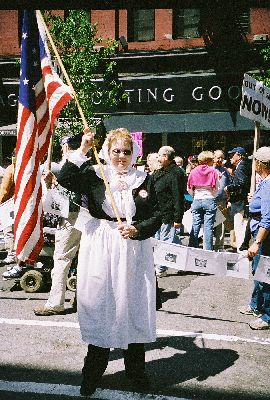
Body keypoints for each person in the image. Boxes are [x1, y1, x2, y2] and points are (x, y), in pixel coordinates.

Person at [57, 127, 162, 396]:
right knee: (102, 306)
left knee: (132, 306)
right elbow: (66, 177)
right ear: (107, 151)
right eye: (116, 151)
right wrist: (83, 149)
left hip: (133, 250)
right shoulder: (95, 174)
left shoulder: (143, 179)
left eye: (126, 152)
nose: (121, 157)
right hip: (101, 245)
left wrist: (138, 229)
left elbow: (157, 215)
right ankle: (91, 375)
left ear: (134, 153)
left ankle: (136, 373)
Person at [33, 135, 83, 316]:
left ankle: (55, 303)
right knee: (84, 260)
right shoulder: (87, 163)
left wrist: (53, 182)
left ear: (66, 146)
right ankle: (82, 299)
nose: (61, 148)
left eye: (63, 145)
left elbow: (73, 198)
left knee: (62, 258)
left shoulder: (72, 165)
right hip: (85, 217)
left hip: (72, 217)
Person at [238, 147, 270, 330]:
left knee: (264, 274)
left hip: (265, 239)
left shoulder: (268, 184)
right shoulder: (265, 183)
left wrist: (257, 242)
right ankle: (256, 305)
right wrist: (254, 198)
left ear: (260, 164)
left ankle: (267, 316)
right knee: (260, 272)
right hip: (261, 236)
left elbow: (268, 218)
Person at [152, 146, 185, 278]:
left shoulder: (175, 173)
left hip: (169, 213)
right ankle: (183, 261)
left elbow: (178, 196)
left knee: (165, 241)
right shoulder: (162, 171)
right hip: (160, 212)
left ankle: (161, 267)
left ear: (166, 157)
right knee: (170, 240)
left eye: (159, 156)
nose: (158, 159)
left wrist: (178, 218)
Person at [187, 150, 219, 251]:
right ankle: (208, 250)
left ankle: (192, 248)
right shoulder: (213, 171)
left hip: (197, 199)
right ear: (209, 160)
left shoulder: (193, 171)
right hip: (209, 199)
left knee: (195, 225)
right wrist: (212, 196)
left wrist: (195, 195)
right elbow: (216, 188)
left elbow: (189, 188)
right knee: (208, 227)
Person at [224, 147, 252, 251]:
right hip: (241, 202)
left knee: (240, 228)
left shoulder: (241, 167)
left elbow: (241, 183)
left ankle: (242, 252)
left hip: (240, 203)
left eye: (232, 155)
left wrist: (228, 187)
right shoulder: (244, 165)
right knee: (242, 227)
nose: (230, 158)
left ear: (239, 156)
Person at [0, 151, 16, 267]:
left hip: (10, 204)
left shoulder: (11, 169)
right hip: (21, 203)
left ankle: (11, 255)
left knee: (8, 229)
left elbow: (4, 190)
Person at [213, 150, 231, 251]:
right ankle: (207, 244)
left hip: (221, 201)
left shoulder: (225, 171)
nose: (219, 160)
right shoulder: (210, 170)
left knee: (221, 224)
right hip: (210, 200)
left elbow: (228, 185)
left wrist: (229, 199)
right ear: (213, 158)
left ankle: (219, 245)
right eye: (217, 157)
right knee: (209, 223)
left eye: (221, 158)